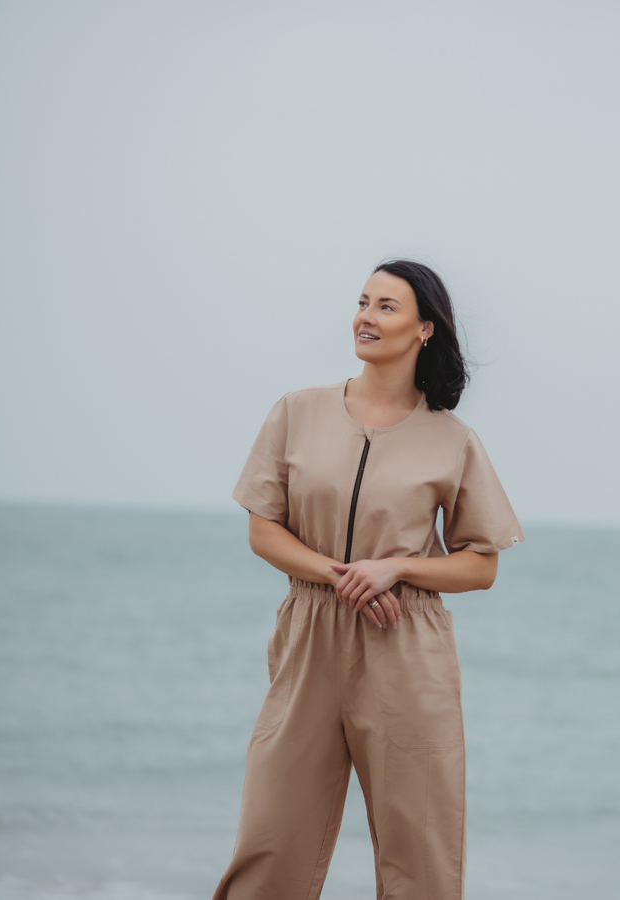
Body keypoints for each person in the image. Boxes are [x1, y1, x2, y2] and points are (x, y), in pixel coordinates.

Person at [212, 259, 524, 900]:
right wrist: (343, 577)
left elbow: (481, 564)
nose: (366, 316)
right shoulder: (297, 412)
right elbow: (263, 529)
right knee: (271, 844)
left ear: (425, 329)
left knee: (422, 859)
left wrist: (398, 568)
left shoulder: (452, 439)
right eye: (363, 301)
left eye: (387, 306)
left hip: (408, 648)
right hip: (309, 639)